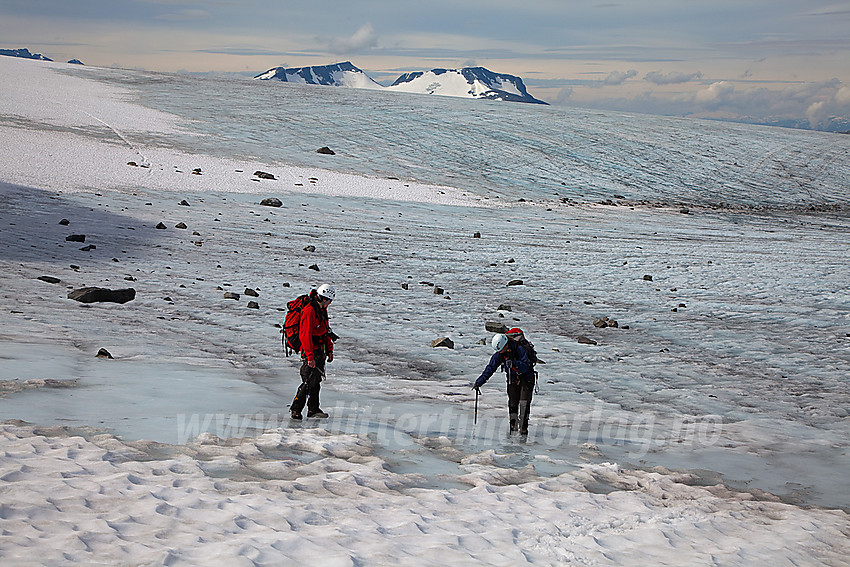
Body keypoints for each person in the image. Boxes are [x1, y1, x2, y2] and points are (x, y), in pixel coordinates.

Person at [473, 333, 536, 435]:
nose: (500, 353)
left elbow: (526, 366)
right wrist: (479, 382)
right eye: (498, 351)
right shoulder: (499, 354)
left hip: (526, 380)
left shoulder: (519, 349)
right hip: (512, 379)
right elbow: (490, 368)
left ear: (506, 345)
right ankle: (513, 429)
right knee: (512, 405)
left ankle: (523, 430)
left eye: (501, 350)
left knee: (524, 405)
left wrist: (515, 364)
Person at [290, 284, 335, 420]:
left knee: (315, 381)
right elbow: (305, 334)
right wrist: (309, 357)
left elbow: (325, 330)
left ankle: (313, 409)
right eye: (329, 301)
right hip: (311, 351)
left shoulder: (321, 310)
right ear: (324, 299)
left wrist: (329, 349)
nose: (329, 304)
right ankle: (296, 409)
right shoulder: (309, 310)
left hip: (319, 350)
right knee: (308, 381)